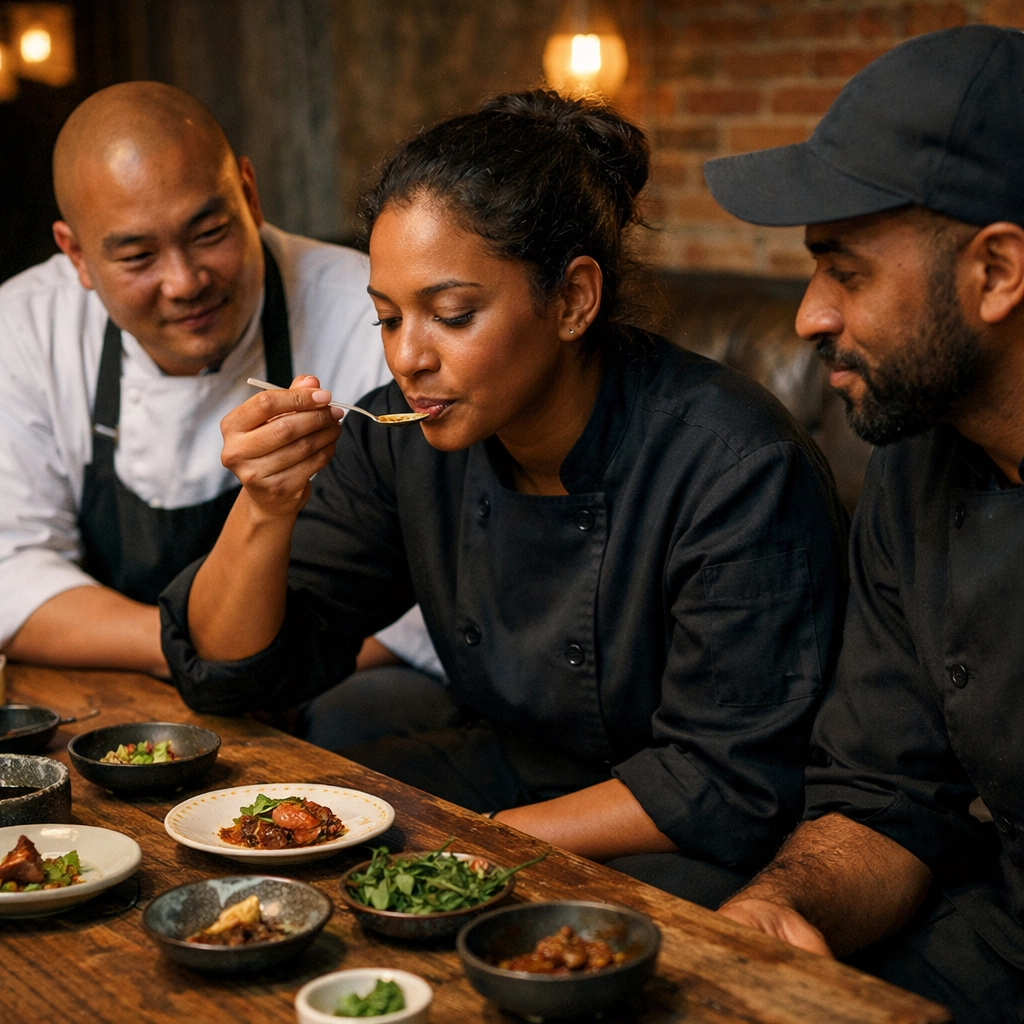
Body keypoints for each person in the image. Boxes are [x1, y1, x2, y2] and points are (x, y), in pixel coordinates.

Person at [161, 89, 848, 906]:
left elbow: (726, 782)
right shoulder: (403, 435)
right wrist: (266, 506)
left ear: (572, 300)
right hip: (516, 765)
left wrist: (467, 842)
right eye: (387, 318)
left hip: (680, 829)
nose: (409, 357)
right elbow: (237, 674)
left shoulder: (736, 465)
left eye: (451, 314)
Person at [703, 26, 1024, 1022]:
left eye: (845, 269)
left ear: (996, 270)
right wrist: (779, 908)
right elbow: (887, 798)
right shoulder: (912, 465)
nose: (807, 317)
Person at [0, 81, 434, 680]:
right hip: (123, 687)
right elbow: (12, 569)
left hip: (338, 683)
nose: (184, 282)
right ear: (76, 255)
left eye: (209, 235)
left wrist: (264, 669)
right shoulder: (24, 329)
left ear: (250, 196)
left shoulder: (371, 313)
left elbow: (434, 592)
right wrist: (206, 652)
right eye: (137, 258)